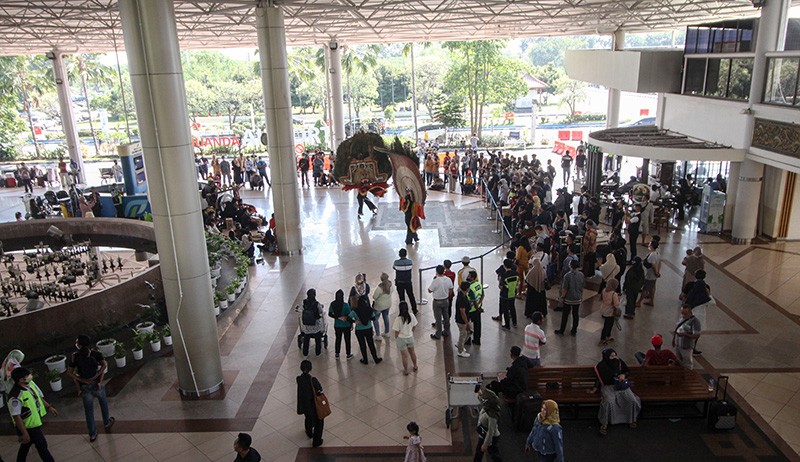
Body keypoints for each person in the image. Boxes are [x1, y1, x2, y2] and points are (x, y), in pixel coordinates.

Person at [66, 334, 115, 442]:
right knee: (103, 403)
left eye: (77, 342)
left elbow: (69, 372)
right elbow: (104, 365)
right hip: (97, 384)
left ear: (80, 344)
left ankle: (92, 434)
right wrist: (97, 376)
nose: (76, 343)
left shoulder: (75, 356)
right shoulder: (96, 354)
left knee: (88, 411)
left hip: (85, 387)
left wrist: (81, 379)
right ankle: (106, 422)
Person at [7, 367, 57, 462]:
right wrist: (24, 433)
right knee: (42, 446)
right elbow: (16, 416)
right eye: (28, 375)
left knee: (26, 445)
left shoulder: (29, 386)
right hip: (28, 427)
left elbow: (38, 397)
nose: (31, 376)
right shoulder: (16, 396)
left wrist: (49, 407)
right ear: (22, 379)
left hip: (33, 423)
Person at [588, 348, 641, 435]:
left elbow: (627, 371)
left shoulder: (619, 362)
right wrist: (594, 389)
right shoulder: (601, 366)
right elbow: (598, 379)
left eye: (614, 355)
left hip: (621, 385)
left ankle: (631, 419)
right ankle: (604, 423)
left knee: (631, 400)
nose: (614, 357)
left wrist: (623, 375)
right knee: (609, 401)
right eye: (611, 356)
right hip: (608, 387)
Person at [349, 274, 382, 365]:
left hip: (359, 329)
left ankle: (365, 359)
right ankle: (375, 358)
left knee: (362, 345)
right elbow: (373, 318)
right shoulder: (366, 287)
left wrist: (354, 321)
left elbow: (349, 316)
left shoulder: (355, 310)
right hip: (368, 327)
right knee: (371, 343)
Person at [296, 360, 324, 447]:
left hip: (304, 404)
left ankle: (309, 432)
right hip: (313, 405)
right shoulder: (313, 380)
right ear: (310, 368)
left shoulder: (299, 379)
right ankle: (317, 441)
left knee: (307, 418)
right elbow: (320, 389)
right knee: (319, 422)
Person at [555, 259, 584, 336]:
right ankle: (574, 330)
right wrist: (581, 296)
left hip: (568, 298)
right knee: (575, 314)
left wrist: (562, 297)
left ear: (570, 265)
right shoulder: (581, 274)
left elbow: (565, 288)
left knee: (565, 314)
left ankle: (562, 330)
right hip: (577, 297)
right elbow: (582, 287)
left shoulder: (567, 276)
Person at [473, 386, 502, 462]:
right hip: (483, 433)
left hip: (490, 438)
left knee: (494, 454)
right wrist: (479, 393)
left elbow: (491, 431)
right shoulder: (487, 407)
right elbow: (482, 399)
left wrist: (486, 444)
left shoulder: (492, 416)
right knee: (479, 451)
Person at [299, 289, 327, 359]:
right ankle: (317, 352)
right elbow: (320, 311)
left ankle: (305, 354)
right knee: (318, 340)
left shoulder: (304, 302)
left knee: (306, 341)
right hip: (315, 326)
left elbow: (301, 310)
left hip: (306, 327)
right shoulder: (317, 304)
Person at [428, 265, 454, 339]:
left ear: (436, 271)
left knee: (438, 318)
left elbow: (429, 290)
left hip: (437, 301)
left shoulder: (436, 280)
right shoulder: (448, 279)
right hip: (445, 300)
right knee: (446, 316)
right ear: (444, 271)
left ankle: (438, 334)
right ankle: (446, 331)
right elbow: (451, 289)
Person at [393, 301, 419, 375]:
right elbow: (414, 326)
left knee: (404, 356)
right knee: (412, 353)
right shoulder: (411, 316)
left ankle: (406, 370)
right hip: (410, 337)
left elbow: (396, 331)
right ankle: (415, 366)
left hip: (401, 339)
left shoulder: (398, 319)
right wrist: (411, 332)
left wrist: (396, 338)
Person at [673, 304, 702, 369]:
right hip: (679, 344)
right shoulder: (682, 318)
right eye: (682, 313)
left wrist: (685, 335)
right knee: (678, 361)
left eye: (685, 313)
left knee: (687, 364)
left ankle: (687, 375)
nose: (683, 315)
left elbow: (697, 335)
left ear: (690, 312)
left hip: (687, 346)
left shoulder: (695, 322)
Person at [328, 289, 353, 360]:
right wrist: (351, 324)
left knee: (338, 339)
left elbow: (330, 314)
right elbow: (350, 315)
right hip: (346, 325)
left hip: (337, 325)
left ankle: (337, 354)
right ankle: (348, 354)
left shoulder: (332, 304)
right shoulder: (346, 305)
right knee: (347, 340)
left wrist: (338, 317)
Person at [394, 249, 418, 315]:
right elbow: (411, 267)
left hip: (399, 283)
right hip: (408, 282)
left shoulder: (396, 262)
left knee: (401, 297)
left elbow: (394, 268)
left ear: (399, 255)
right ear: (406, 254)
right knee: (411, 296)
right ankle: (414, 310)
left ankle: (403, 311)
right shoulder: (410, 262)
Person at [638, 241, 661, 306]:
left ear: (652, 246)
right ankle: (651, 301)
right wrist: (658, 272)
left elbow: (653, 265)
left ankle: (639, 302)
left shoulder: (652, 255)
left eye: (649, 244)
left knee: (645, 288)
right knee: (652, 288)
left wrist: (656, 272)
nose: (648, 245)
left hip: (650, 275)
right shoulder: (657, 253)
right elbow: (659, 263)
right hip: (654, 275)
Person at [598, 279, 620, 346]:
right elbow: (616, 304)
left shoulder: (604, 290)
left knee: (608, 323)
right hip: (610, 311)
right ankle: (603, 338)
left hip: (604, 308)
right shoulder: (614, 294)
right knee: (608, 324)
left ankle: (608, 335)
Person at [454, 281, 473, 358]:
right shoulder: (462, 298)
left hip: (465, 319)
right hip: (462, 320)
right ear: (467, 289)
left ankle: (459, 345)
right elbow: (462, 312)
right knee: (464, 334)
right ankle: (460, 351)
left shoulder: (462, 294)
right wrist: (467, 323)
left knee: (468, 332)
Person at [466, 271, 484, 346]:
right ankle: (477, 340)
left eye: (469, 276)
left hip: (471, 309)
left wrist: (477, 307)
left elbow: (473, 300)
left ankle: (468, 340)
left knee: (468, 325)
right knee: (477, 325)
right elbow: (482, 295)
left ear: (472, 277)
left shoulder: (470, 288)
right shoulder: (479, 284)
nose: (468, 277)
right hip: (477, 308)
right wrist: (479, 304)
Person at [372, 273, 392, 339]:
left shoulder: (379, 288)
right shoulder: (391, 285)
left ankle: (378, 335)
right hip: (388, 304)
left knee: (375, 319)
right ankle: (387, 332)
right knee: (386, 317)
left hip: (379, 306)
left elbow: (374, 297)